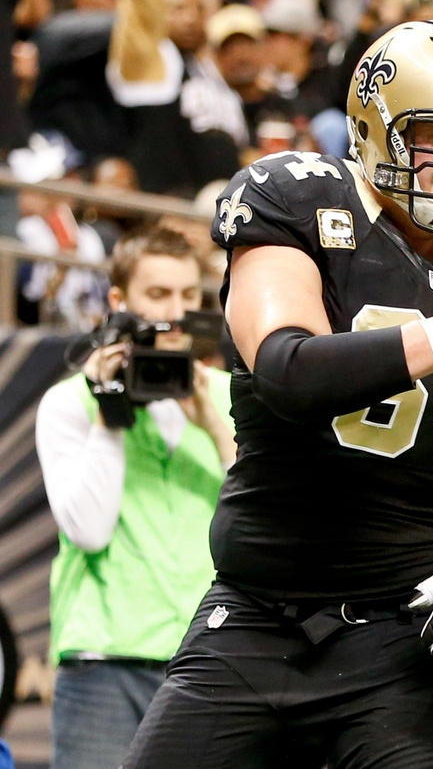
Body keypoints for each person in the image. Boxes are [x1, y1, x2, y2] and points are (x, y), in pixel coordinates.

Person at [123, 20, 433, 767]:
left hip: (418, 631)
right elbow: (290, 372)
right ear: (376, 130)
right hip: (258, 618)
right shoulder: (297, 205)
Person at [34, 226, 234, 769]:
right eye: (158, 295)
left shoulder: (229, 396)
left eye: (188, 297)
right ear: (118, 302)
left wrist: (216, 429)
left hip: (211, 658)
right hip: (106, 661)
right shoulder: (69, 403)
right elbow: (89, 530)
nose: (175, 312)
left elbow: (271, 522)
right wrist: (111, 413)